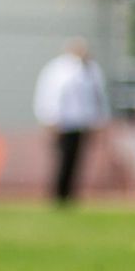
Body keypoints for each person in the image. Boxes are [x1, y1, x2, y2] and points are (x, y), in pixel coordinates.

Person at [33, 38, 108, 205]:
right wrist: (49, 117)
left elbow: (98, 97)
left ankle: (71, 193)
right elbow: (49, 95)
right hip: (64, 122)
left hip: (82, 121)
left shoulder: (91, 70)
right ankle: (59, 193)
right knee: (63, 158)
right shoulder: (57, 69)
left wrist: (99, 119)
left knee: (78, 159)